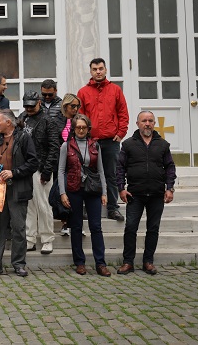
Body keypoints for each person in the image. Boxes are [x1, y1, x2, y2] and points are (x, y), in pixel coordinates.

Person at [116, 111, 177, 276]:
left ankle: (148, 262)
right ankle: (128, 262)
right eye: (144, 121)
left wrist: (169, 188)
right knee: (130, 228)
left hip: (157, 194)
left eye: (150, 121)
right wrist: (121, 188)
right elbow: (120, 168)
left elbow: (170, 167)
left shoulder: (163, 145)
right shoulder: (128, 144)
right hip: (135, 194)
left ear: (154, 123)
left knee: (153, 228)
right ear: (138, 124)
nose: (147, 123)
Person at [0, 109, 38, 278]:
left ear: (8, 123)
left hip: (17, 190)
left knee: (18, 228)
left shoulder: (24, 138)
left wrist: (15, 172)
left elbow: (33, 162)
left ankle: (19, 264)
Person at [57, 114, 111, 277]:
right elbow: (60, 171)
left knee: (96, 227)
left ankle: (100, 263)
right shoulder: (66, 146)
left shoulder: (95, 145)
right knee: (76, 226)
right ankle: (79, 262)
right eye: (78, 127)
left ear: (88, 129)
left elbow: (101, 170)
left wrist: (104, 192)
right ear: (73, 129)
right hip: (74, 189)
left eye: (84, 127)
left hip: (93, 189)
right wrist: (62, 193)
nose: (81, 130)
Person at [78, 58, 129, 222]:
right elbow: (80, 116)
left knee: (112, 174)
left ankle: (113, 208)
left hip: (111, 141)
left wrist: (121, 132)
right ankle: (85, 208)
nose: (98, 71)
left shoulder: (115, 90)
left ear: (106, 70)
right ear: (91, 71)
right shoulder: (83, 92)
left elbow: (123, 113)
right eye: (95, 69)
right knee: (86, 174)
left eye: (101, 68)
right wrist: (83, 137)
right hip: (90, 141)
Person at [18, 91, 59, 254]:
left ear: (39, 103)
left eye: (31, 105)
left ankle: (47, 238)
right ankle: (30, 238)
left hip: (41, 168)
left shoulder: (49, 121)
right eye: (26, 105)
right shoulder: (23, 117)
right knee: (28, 205)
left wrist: (47, 171)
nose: (28, 108)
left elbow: (54, 147)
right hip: (26, 167)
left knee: (44, 205)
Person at [56, 93, 82, 236]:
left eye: (78, 106)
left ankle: (77, 223)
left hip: (76, 161)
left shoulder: (79, 120)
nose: (76, 109)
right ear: (65, 106)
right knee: (63, 191)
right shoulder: (57, 121)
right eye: (73, 106)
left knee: (77, 191)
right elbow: (54, 139)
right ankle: (65, 222)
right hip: (61, 161)